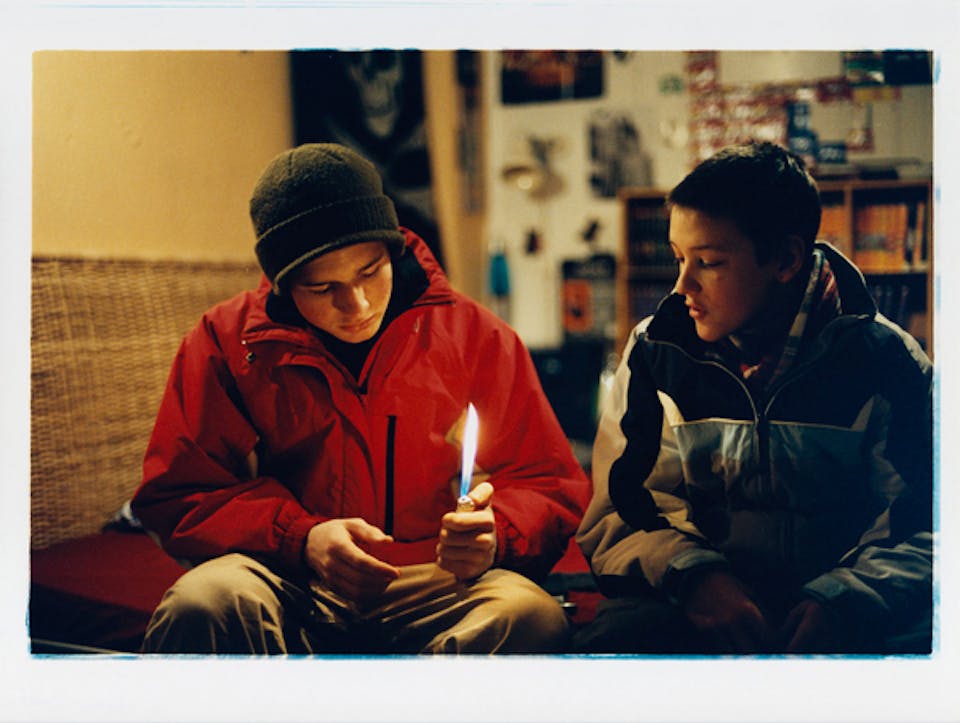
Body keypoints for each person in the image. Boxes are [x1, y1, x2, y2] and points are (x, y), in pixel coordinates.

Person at [131, 142, 590, 654]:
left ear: (393, 249)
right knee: (203, 602)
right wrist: (301, 539)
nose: (357, 304)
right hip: (288, 579)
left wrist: (496, 535)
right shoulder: (228, 344)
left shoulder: (475, 336)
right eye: (322, 288)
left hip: (438, 579)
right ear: (283, 285)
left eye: (370, 271)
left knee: (531, 617)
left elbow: (549, 483)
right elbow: (180, 495)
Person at [575, 142, 933, 655]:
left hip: (844, 605)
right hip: (694, 598)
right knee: (613, 643)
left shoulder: (884, 360)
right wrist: (696, 578)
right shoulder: (657, 352)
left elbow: (927, 520)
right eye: (678, 259)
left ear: (785, 259)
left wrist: (846, 599)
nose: (681, 286)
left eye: (708, 262)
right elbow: (622, 507)